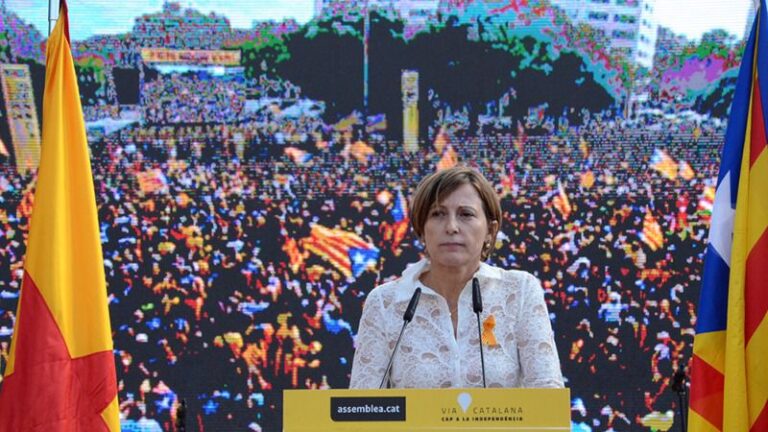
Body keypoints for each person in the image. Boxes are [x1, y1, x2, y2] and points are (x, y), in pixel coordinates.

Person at [349, 166, 564, 388]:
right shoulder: (385, 303)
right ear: (422, 230)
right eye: (438, 214)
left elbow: (547, 394)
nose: (451, 227)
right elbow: (362, 408)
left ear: (490, 230)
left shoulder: (520, 291)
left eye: (466, 214)